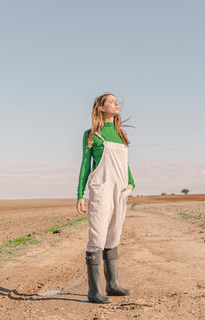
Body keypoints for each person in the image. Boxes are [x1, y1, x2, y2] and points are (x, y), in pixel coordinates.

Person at [76, 92, 135, 304]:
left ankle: (113, 284)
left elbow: (125, 164)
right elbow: (85, 165)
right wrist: (80, 194)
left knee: (114, 234)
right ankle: (94, 291)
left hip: (120, 189)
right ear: (101, 108)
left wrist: (131, 183)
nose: (116, 103)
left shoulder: (120, 134)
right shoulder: (92, 134)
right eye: (111, 101)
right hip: (101, 188)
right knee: (97, 236)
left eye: (116, 101)